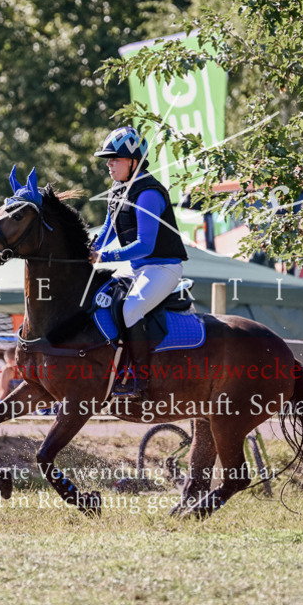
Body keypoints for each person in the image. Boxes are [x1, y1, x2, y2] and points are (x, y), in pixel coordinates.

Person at [89, 126, 188, 402]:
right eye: (108, 159)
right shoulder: (118, 190)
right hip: (136, 268)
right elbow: (108, 231)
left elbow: (145, 245)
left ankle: (139, 379)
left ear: (133, 162)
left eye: (114, 159)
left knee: (131, 308)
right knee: (100, 298)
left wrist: (105, 258)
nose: (108, 164)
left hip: (162, 267)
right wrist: (91, 249)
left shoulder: (148, 193)